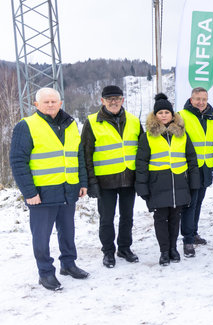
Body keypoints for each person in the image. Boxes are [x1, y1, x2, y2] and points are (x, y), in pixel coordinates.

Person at [10, 87, 89, 291]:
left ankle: (68, 264)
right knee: (42, 236)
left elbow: (78, 156)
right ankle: (45, 273)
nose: (51, 105)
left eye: (54, 101)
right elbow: (18, 162)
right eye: (46, 102)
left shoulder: (71, 125)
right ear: (36, 105)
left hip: (68, 189)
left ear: (60, 103)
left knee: (68, 231)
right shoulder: (26, 126)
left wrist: (82, 182)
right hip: (42, 193)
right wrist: (29, 193)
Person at [135, 93, 200, 266]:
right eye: (160, 112)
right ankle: (164, 251)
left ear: (172, 115)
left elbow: (191, 159)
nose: (164, 115)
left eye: (167, 112)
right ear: (155, 116)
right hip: (158, 184)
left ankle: (173, 248)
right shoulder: (147, 136)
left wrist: (194, 182)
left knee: (175, 217)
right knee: (161, 219)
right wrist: (142, 187)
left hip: (179, 182)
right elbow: (141, 163)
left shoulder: (182, 135)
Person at [82, 85, 143, 268]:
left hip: (128, 179)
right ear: (102, 101)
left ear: (122, 100)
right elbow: (86, 154)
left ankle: (124, 248)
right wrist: (91, 181)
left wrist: (141, 177)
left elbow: (142, 151)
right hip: (105, 181)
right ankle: (108, 251)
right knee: (106, 219)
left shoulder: (133, 120)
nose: (114, 102)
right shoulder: (92, 122)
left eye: (117, 98)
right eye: (109, 99)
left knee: (127, 217)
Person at [179, 87, 213, 257]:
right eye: (197, 99)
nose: (201, 102)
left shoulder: (212, 118)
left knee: (198, 203)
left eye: (204, 99)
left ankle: (194, 232)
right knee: (190, 204)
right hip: (189, 168)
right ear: (191, 100)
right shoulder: (181, 117)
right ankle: (187, 240)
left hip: (206, 167)